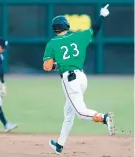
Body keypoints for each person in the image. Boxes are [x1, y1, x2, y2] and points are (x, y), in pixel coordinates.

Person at [43, 4, 115, 154]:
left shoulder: (52, 43)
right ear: (66, 25)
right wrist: (102, 15)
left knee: (81, 113)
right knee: (68, 113)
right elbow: (95, 29)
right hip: (82, 78)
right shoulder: (78, 36)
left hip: (70, 81)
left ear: (54, 29)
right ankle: (60, 145)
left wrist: (56, 63)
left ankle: (104, 118)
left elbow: (47, 66)